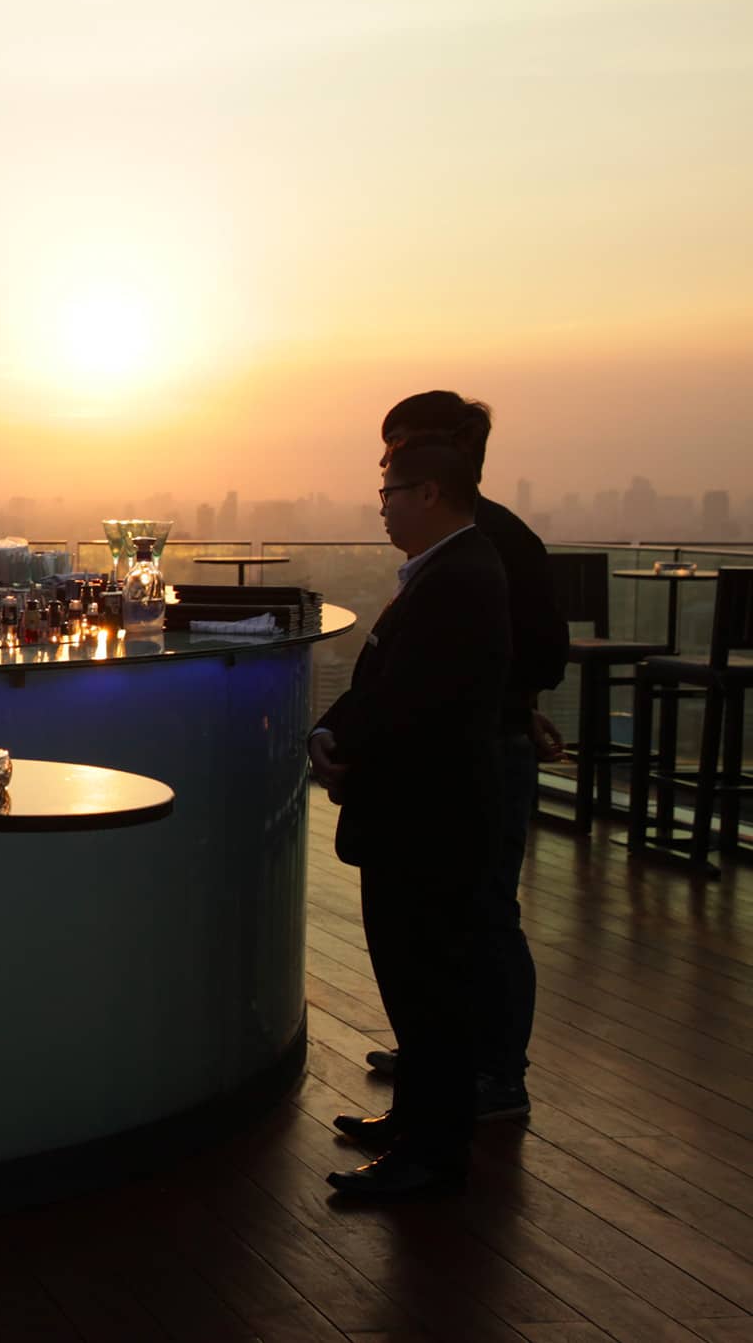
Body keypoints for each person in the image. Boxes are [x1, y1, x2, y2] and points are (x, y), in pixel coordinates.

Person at [310, 432, 509, 1199]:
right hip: (424, 817)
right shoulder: (448, 569)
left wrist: (344, 748)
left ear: (429, 492)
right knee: (418, 985)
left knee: (430, 989)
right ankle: (416, 1123)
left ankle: (429, 1154)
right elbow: (387, 685)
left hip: (428, 821)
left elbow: (411, 701)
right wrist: (337, 732)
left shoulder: (457, 577)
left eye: (389, 490)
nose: (382, 506)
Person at [363, 393, 569, 1122]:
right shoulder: (471, 538)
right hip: (488, 740)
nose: (384, 465)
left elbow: (535, 652)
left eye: (394, 449)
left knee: (483, 916)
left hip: (479, 754)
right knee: (456, 922)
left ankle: (497, 1073)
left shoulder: (487, 541)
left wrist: (500, 703)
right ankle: (444, 1057)